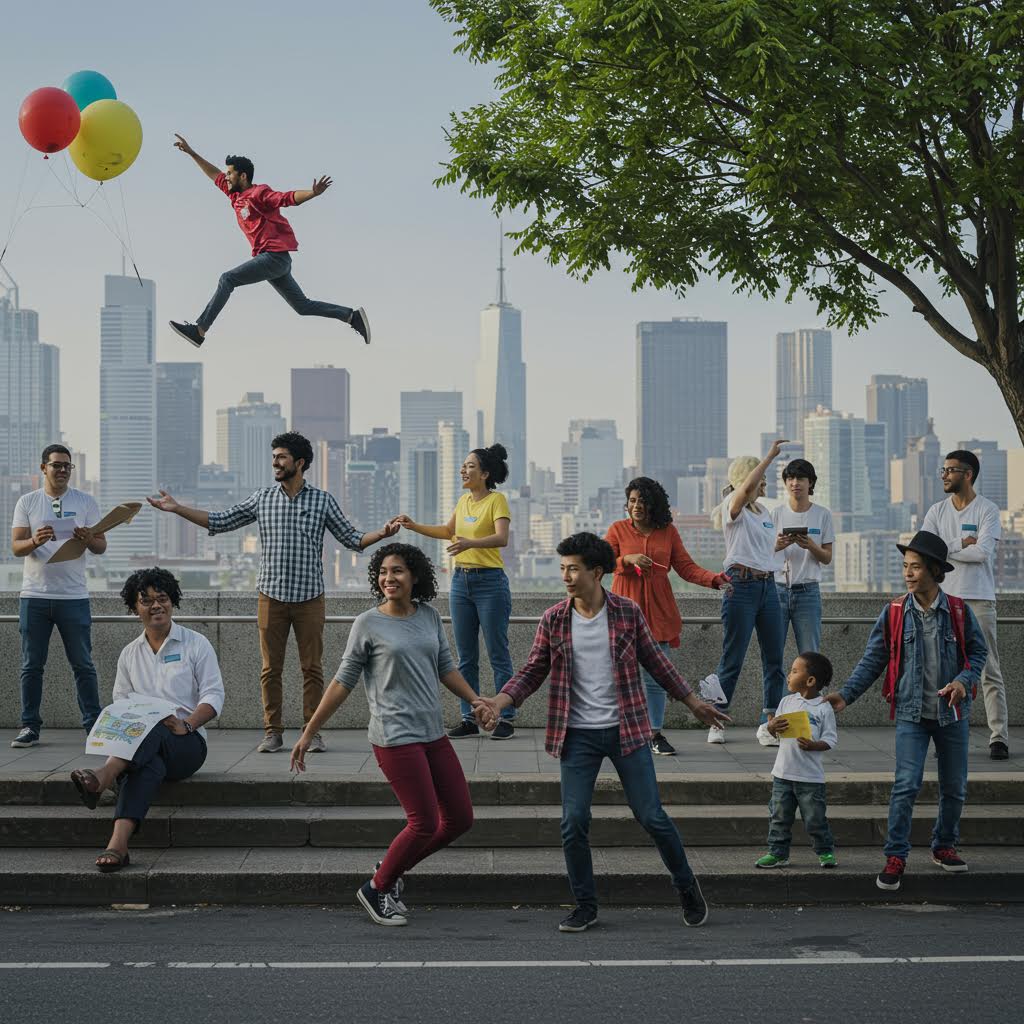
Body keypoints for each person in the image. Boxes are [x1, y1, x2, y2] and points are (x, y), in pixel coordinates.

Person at [474, 532, 730, 933]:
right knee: (573, 821)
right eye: (562, 569)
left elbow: (657, 663)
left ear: (596, 572)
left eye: (573, 568)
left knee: (652, 816)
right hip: (576, 735)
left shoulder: (626, 613)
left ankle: (686, 887)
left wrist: (694, 702)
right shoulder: (554, 619)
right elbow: (531, 672)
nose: (566, 576)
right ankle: (585, 905)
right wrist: (498, 702)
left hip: (626, 731)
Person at [147, 431, 397, 753]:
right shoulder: (262, 498)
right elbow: (221, 521)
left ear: (300, 462)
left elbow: (352, 538)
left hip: (310, 598)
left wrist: (382, 533)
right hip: (271, 597)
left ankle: (312, 731)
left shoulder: (322, 501)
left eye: (281, 457)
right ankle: (272, 731)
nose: (275, 463)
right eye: (274, 457)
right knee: (270, 669)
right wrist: (177, 508)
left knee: (312, 668)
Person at [291, 543, 479, 926]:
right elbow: (342, 682)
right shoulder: (368, 623)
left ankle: (390, 868)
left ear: (414, 577)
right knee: (423, 821)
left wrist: (477, 701)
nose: (388, 578)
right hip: (394, 736)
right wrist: (309, 731)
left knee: (459, 818)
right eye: (383, 572)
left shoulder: (428, 616)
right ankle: (377, 887)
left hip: (432, 732)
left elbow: (446, 667)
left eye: (397, 571)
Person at [825, 531, 986, 892]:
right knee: (906, 785)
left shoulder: (959, 611)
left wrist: (962, 681)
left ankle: (944, 846)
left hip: (952, 714)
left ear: (934, 570)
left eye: (915, 567)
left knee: (955, 787)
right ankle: (895, 855)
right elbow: (873, 659)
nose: (908, 573)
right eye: (905, 567)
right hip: (912, 714)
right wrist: (845, 696)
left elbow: (978, 654)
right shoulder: (895, 612)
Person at [69, 568, 225, 872]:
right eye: (146, 601)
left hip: (186, 743)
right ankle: (118, 844)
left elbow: (214, 696)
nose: (156, 606)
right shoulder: (129, 654)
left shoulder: (196, 644)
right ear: (134, 608)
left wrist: (188, 724)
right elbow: (121, 705)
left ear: (172, 602)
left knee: (154, 729)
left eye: (162, 598)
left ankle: (105, 775)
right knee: (148, 764)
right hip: (141, 745)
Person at [168, 136, 370, 348]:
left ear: (242, 176)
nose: (226, 177)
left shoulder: (259, 193)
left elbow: (286, 198)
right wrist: (191, 153)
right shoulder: (234, 196)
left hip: (273, 258)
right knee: (302, 306)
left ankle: (199, 331)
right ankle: (351, 316)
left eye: (230, 173)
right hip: (275, 261)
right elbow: (213, 174)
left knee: (227, 279)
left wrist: (312, 193)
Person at [395, 444, 517, 739]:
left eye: (470, 466)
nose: (464, 470)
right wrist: (414, 527)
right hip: (461, 583)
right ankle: (469, 717)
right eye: (463, 466)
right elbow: (447, 532)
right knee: (465, 657)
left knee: (497, 652)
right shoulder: (464, 501)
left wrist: (469, 544)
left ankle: (506, 718)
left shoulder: (496, 500)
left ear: (485, 473)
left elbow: (501, 538)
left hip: (490, 582)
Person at [605, 476, 730, 756]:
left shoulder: (667, 531)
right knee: (619, 674)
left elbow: (686, 567)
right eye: (632, 501)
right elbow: (601, 562)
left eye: (642, 501)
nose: (636, 506)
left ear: (654, 504)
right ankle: (617, 731)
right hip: (623, 611)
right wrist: (627, 560)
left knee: (656, 677)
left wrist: (714, 579)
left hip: (659, 613)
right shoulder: (617, 530)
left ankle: (654, 733)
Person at [10, 444, 105, 748]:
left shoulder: (85, 501)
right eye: (56, 465)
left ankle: (93, 725)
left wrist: (88, 537)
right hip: (34, 596)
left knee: (83, 664)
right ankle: (29, 726)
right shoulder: (27, 502)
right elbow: (15, 547)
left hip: (73, 596)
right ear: (43, 468)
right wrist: (35, 540)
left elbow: (101, 546)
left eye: (67, 466)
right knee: (31, 665)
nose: (62, 471)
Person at [922, 450, 1007, 760]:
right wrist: (958, 545)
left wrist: (943, 551)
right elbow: (925, 552)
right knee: (943, 669)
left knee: (989, 670)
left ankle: (998, 737)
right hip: (945, 599)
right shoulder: (936, 511)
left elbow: (982, 553)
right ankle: (946, 735)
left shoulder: (987, 510)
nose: (944, 475)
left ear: (967, 474)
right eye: (942, 470)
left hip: (980, 599)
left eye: (950, 470)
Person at [709, 440, 788, 746]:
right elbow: (745, 488)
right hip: (739, 587)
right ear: (747, 479)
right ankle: (716, 719)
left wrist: (782, 544)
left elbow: (763, 549)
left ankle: (769, 724)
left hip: (768, 586)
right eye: (761, 478)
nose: (765, 483)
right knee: (732, 658)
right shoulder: (734, 507)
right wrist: (769, 457)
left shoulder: (763, 512)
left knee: (775, 660)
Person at [755, 652, 838, 869]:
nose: (788, 676)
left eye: (793, 671)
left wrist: (814, 745)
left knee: (815, 819)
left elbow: (830, 739)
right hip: (783, 773)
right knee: (779, 817)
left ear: (810, 681)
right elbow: (778, 735)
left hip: (810, 777)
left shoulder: (823, 707)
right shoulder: (786, 702)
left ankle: (825, 851)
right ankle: (777, 852)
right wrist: (771, 728)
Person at [772, 458, 834, 654]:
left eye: (800, 478)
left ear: (811, 483)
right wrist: (777, 545)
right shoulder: (776, 514)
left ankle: (809, 686)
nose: (795, 483)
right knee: (773, 654)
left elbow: (826, 558)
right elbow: (762, 554)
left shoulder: (822, 514)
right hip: (777, 589)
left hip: (808, 592)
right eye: (790, 478)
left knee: (810, 654)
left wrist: (811, 546)